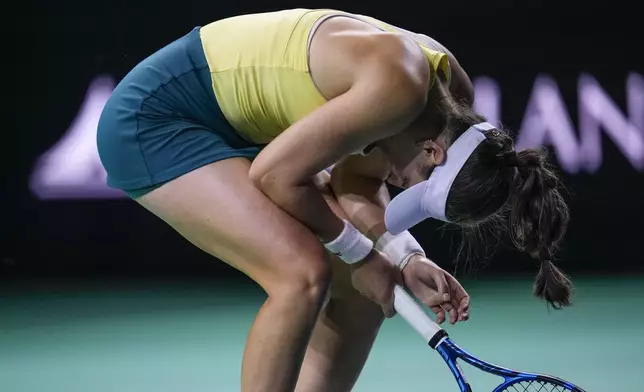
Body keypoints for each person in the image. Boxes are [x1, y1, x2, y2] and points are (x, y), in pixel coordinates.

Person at [97, 8, 573, 392]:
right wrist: (363, 253)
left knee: (365, 294)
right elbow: (275, 177)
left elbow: (356, 187)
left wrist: (404, 258)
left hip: (244, 130)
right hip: (157, 118)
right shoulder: (400, 89)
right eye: (418, 184)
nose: (404, 188)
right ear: (434, 150)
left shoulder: (447, 104)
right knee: (300, 273)